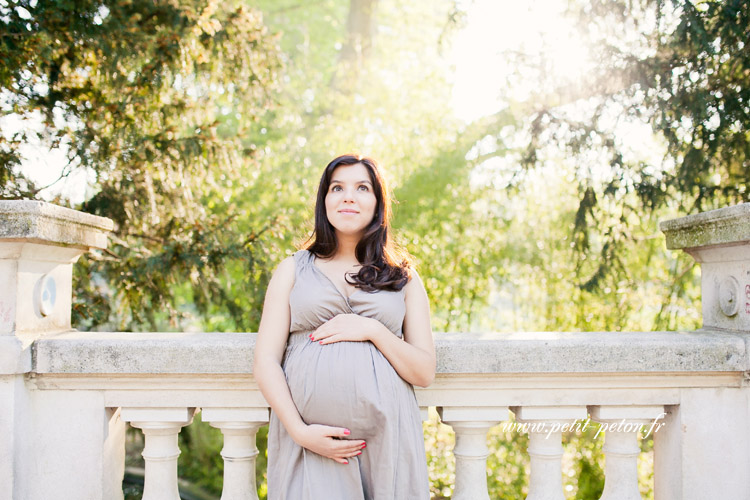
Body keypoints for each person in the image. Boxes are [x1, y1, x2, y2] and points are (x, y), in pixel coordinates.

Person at [253, 154, 436, 500]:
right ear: (325, 201)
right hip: (310, 443)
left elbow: (424, 371)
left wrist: (373, 330)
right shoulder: (291, 270)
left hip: (386, 442)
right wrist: (300, 431)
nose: (348, 196)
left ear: (378, 204)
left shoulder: (404, 278)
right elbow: (265, 362)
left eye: (362, 188)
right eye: (337, 187)